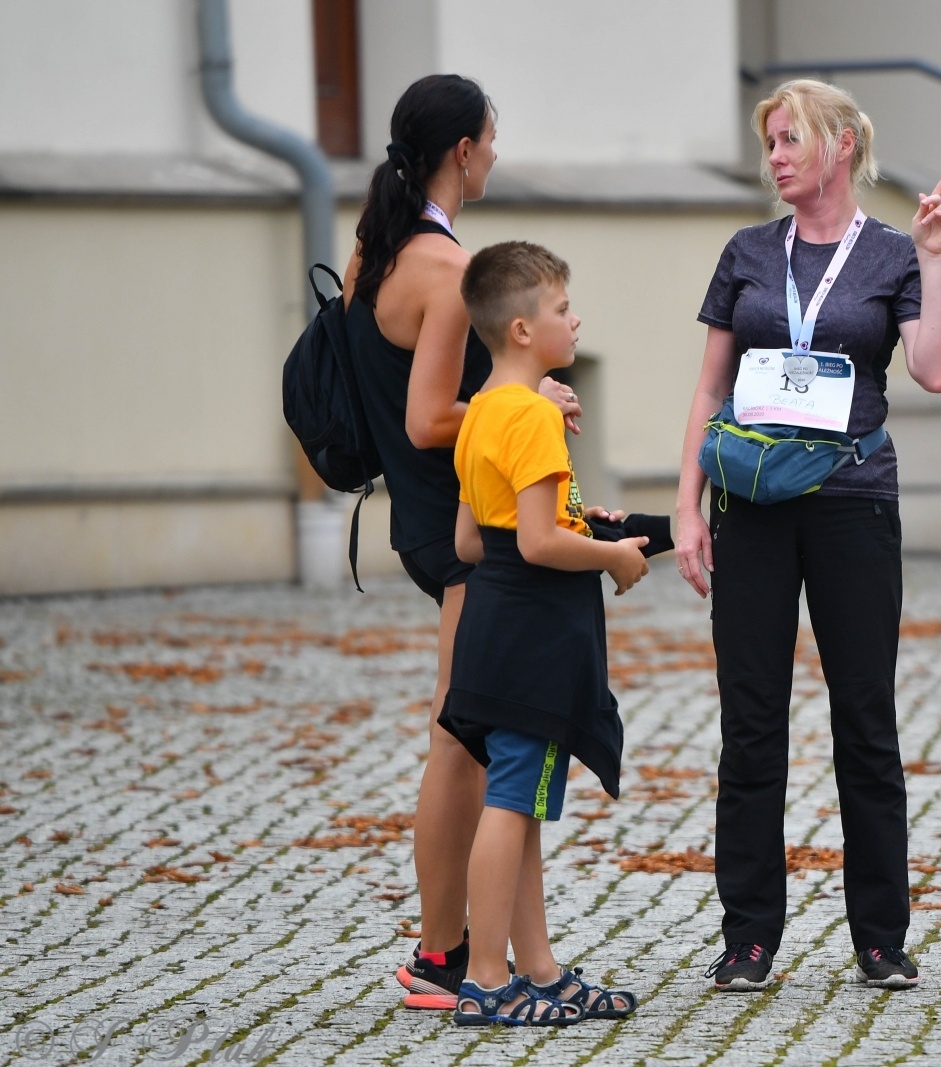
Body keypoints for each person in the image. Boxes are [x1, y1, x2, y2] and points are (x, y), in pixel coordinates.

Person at [673, 78, 941, 991]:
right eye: (771, 143)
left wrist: (935, 260)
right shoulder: (748, 251)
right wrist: (687, 504)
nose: (777, 155)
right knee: (750, 725)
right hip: (752, 503)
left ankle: (880, 936)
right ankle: (749, 936)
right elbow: (709, 388)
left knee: (864, 721)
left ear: (841, 146)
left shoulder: (890, 256)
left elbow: (937, 370)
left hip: (852, 498)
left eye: (792, 138)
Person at [342, 74, 582, 1011]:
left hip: (430, 523)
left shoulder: (377, 251)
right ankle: (444, 956)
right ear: (465, 153)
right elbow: (425, 415)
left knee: (466, 730)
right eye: (492, 136)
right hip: (463, 533)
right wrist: (522, 401)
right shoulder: (445, 270)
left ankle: (466, 948)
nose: (496, 151)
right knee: (461, 736)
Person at [446, 241, 648, 1026]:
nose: (575, 318)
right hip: (534, 633)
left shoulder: (484, 411)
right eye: (563, 309)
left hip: (494, 624)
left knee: (519, 801)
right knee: (510, 803)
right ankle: (489, 979)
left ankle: (538, 968)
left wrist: (570, 521)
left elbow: (472, 542)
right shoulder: (530, 414)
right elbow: (536, 543)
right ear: (524, 329)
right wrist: (611, 557)